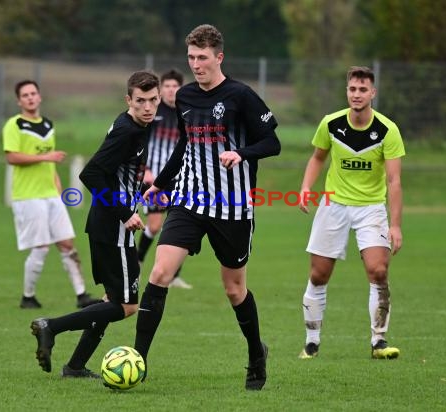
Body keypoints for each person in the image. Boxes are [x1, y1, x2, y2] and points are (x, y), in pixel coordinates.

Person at [134, 24, 281, 390]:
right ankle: (138, 361)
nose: (196, 64)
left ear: (219, 57)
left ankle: (255, 355)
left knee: (234, 290)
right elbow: (184, 147)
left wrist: (241, 153)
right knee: (159, 274)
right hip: (188, 200)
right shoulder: (183, 96)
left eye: (202, 57)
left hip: (232, 207)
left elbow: (272, 142)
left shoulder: (241, 96)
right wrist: (159, 185)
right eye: (191, 57)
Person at [29, 70, 160, 378]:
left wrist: (142, 191)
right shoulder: (127, 131)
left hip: (106, 224)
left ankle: (75, 366)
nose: (147, 107)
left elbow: (115, 175)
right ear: (129, 99)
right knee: (126, 306)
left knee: (111, 299)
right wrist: (125, 212)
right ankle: (52, 327)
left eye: (152, 100)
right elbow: (91, 174)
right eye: (140, 101)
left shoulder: (137, 126)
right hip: (114, 227)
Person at [297, 66, 405, 360]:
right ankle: (312, 342)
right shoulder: (331, 124)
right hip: (333, 204)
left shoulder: (387, 130)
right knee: (319, 274)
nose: (357, 95)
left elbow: (394, 181)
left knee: (378, 271)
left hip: (371, 208)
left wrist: (395, 226)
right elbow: (317, 157)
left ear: (373, 93)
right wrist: (306, 186)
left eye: (362, 89)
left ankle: (379, 341)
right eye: (352, 89)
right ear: (347, 91)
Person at [2, 80, 99, 309]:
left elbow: (51, 165)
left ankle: (82, 295)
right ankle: (28, 296)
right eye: (25, 95)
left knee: (67, 243)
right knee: (42, 246)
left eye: (33, 93)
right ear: (19, 101)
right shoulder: (14, 125)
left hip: (51, 195)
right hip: (28, 196)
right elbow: (12, 157)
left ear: (40, 97)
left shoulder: (47, 125)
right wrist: (46, 157)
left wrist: (58, 188)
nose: (30, 98)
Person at [138, 68, 193, 289]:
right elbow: (140, 141)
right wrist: (145, 169)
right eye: (167, 86)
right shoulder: (154, 111)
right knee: (154, 224)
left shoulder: (187, 112)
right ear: (162, 90)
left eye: (175, 86)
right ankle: (139, 261)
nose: (171, 91)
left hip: (181, 180)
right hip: (155, 179)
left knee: (181, 225)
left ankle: (174, 274)